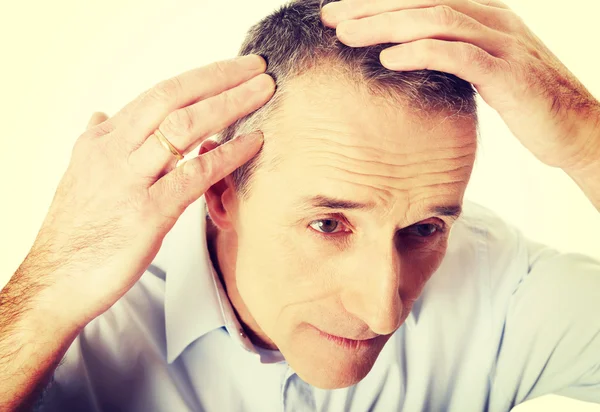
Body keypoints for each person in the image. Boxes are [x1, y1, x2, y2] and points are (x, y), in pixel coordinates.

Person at [1, 0, 599, 410]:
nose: (383, 312)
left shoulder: (495, 286)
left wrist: (588, 140)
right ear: (222, 189)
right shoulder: (83, 326)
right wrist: (46, 294)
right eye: (328, 223)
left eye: (423, 228)